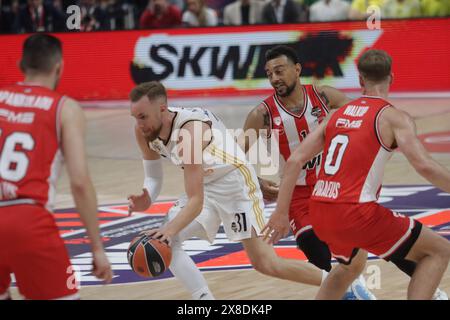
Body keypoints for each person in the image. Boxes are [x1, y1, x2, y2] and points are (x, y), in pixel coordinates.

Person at [264, 49, 450, 300]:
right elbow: (424, 165)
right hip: (356, 211)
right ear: (391, 78)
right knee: (437, 251)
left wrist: (280, 213)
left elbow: (295, 160)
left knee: (350, 267)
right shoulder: (394, 117)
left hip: (319, 209)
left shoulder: (336, 115)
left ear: (360, 80)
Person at [128, 81, 330, 300]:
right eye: (135, 117)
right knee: (169, 241)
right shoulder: (144, 132)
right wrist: (147, 195)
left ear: (162, 109)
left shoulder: (190, 131)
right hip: (205, 183)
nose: (139, 124)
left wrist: (168, 229)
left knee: (267, 264)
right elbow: (154, 177)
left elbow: (195, 201)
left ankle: (341, 281)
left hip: (235, 185)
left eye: (143, 117)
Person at [243, 45, 375, 300]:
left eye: (279, 71)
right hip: (298, 193)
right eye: (269, 74)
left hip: (334, 186)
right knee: (315, 252)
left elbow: (362, 118)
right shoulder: (261, 114)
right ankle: (354, 293)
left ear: (297, 69)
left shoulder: (324, 96)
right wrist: (256, 181)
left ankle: (429, 290)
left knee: (356, 249)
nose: (274, 79)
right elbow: (236, 158)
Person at [0, 34, 113, 300]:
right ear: (59, 67)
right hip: (28, 220)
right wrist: (97, 247)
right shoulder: (65, 108)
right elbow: (79, 182)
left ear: (20, 65)